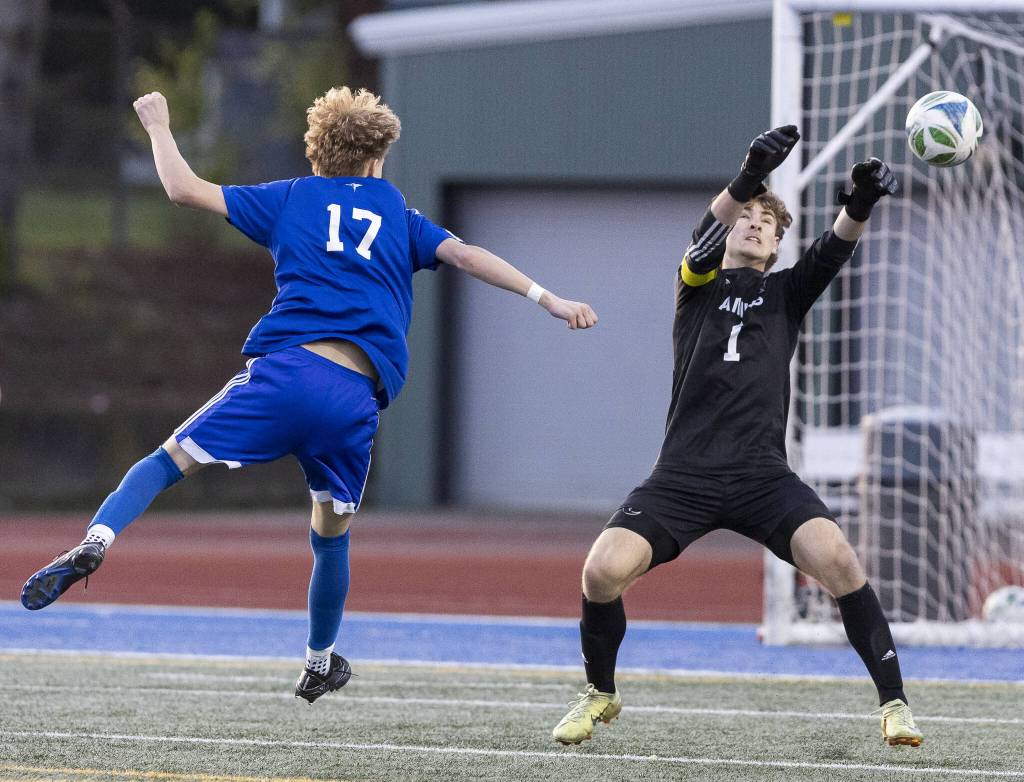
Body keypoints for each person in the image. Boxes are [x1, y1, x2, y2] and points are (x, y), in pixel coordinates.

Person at [22, 86, 597, 704]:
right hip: (353, 402)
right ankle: (319, 661)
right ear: (378, 156)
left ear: (317, 151)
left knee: (166, 463)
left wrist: (160, 124)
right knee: (331, 533)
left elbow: (183, 189)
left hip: (286, 376)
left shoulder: (290, 197)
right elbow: (467, 256)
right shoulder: (397, 213)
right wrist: (550, 299)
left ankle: (98, 540)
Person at [551, 126, 921, 748]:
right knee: (600, 572)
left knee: (838, 559)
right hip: (683, 474)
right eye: (745, 216)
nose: (752, 223)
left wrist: (859, 204)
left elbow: (833, 251)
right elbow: (701, 239)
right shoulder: (695, 288)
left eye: (765, 221)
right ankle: (599, 692)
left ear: (777, 244)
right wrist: (749, 173)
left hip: (760, 475)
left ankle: (896, 705)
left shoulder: (786, 294)